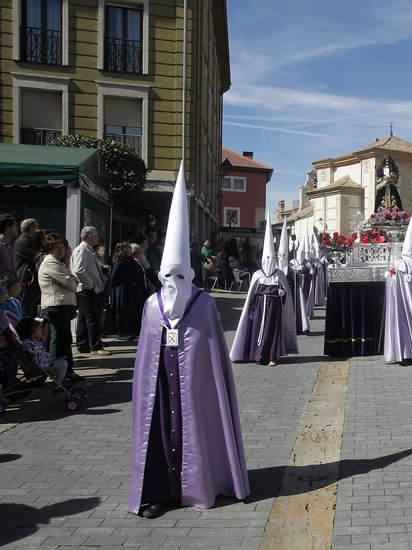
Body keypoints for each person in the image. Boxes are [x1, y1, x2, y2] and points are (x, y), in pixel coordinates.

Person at [128, 162, 249, 519]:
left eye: (179, 275)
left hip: (195, 383)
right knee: (160, 430)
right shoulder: (152, 306)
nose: (172, 283)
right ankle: (161, 489)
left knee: (200, 423)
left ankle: (203, 481)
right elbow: (143, 353)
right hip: (161, 383)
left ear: (190, 274)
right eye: (167, 276)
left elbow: (214, 358)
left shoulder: (204, 304)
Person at [230, 213, 297, 366]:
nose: (269, 262)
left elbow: (286, 293)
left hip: (274, 308)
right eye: (266, 259)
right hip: (259, 308)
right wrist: (252, 309)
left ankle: (272, 356)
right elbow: (251, 297)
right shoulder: (257, 275)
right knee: (256, 330)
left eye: (271, 259)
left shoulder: (279, 274)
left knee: (271, 331)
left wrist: (282, 294)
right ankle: (257, 354)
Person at [384, 201, 412, 363]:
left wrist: (388, 276)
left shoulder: (397, 265)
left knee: (401, 324)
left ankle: (403, 352)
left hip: (401, 306)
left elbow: (390, 283)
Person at [38, 233, 81, 381]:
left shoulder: (59, 263)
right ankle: (58, 372)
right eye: (59, 247)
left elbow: (73, 280)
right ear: (51, 248)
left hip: (63, 305)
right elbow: (72, 284)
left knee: (65, 339)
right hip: (56, 306)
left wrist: (72, 278)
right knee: (59, 340)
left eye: (64, 246)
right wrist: (73, 281)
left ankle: (68, 370)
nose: (63, 249)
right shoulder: (51, 263)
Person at [71, 227, 110, 356]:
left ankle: (83, 344)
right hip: (86, 289)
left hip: (88, 289)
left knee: (83, 317)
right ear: (89, 236)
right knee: (91, 317)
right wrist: (92, 285)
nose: (97, 238)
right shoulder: (81, 250)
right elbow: (78, 270)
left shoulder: (88, 250)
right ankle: (95, 345)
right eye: (95, 236)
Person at [110, 242, 147, 341]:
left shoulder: (130, 260)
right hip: (123, 290)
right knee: (122, 312)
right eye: (128, 248)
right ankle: (121, 332)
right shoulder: (121, 262)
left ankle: (130, 331)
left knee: (129, 311)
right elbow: (114, 278)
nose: (130, 250)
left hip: (130, 290)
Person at [16, 316, 68, 385]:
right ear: (32, 331)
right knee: (63, 364)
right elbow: (35, 361)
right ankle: (58, 383)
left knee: (61, 359)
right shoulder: (29, 345)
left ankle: (58, 380)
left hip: (46, 363)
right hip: (43, 367)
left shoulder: (35, 342)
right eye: (39, 329)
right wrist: (48, 367)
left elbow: (42, 356)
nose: (42, 330)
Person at [14, 218, 42, 317]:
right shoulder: (22, 241)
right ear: (31, 228)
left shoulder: (29, 240)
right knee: (26, 311)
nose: (37, 230)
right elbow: (35, 256)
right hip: (27, 281)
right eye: (36, 228)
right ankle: (25, 331)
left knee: (32, 310)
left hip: (31, 281)